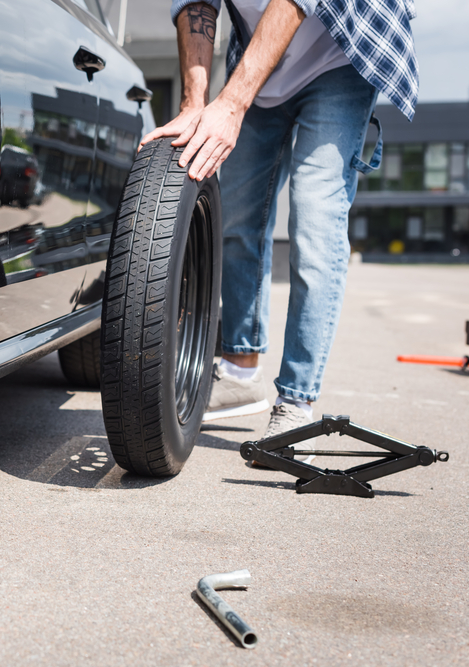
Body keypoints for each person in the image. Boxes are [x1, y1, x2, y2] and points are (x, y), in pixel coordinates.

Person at [140, 0, 418, 455]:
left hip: (338, 58)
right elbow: (197, 4)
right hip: (263, 63)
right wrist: (196, 102)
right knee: (236, 217)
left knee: (314, 218)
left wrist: (231, 103)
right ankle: (240, 374)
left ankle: (296, 401)